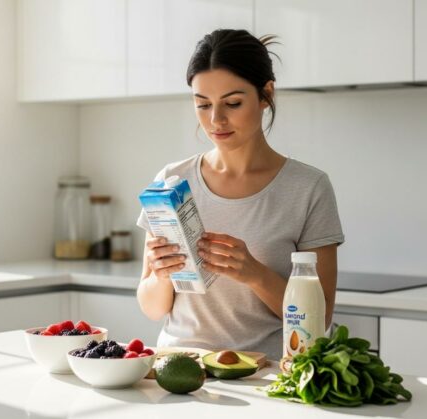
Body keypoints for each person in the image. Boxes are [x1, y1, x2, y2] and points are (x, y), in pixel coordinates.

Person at [136, 29, 344, 360]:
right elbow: (151, 307)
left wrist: (255, 274)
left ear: (266, 94)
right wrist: (161, 276)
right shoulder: (173, 181)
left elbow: (321, 318)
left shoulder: (308, 188)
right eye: (203, 104)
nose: (216, 120)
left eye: (233, 103)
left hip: (266, 374)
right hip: (179, 369)